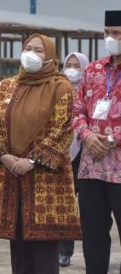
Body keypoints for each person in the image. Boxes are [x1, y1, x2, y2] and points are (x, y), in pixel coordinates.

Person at [0, 34, 81, 274]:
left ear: (51, 56)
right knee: (19, 247)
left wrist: (33, 160)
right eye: (28, 48)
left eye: (39, 50)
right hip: (11, 174)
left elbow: (64, 128)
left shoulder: (61, 87)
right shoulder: (6, 86)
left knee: (45, 251)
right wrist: (4, 156)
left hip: (46, 180)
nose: (32, 53)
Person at [72, 10, 121, 274]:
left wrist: (112, 139)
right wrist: (87, 135)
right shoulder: (93, 70)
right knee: (92, 236)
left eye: (117, 33)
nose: (111, 38)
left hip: (120, 169)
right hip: (91, 168)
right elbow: (77, 110)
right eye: (107, 33)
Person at [57, 51, 89, 268]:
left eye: (77, 65)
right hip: (63, 152)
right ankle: (64, 251)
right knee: (65, 205)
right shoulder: (56, 89)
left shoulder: (90, 89)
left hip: (87, 153)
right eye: (69, 64)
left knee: (88, 208)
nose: (72, 69)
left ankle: (94, 253)